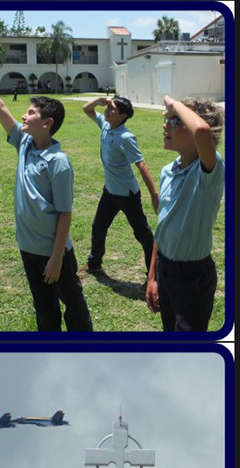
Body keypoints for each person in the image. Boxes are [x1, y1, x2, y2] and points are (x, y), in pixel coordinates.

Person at [0, 48, 93, 332]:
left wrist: (57, 259)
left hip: (54, 252)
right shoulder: (24, 143)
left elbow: (65, 214)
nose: (23, 116)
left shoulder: (58, 162)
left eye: (31, 113)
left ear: (47, 123)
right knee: (45, 309)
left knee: (74, 306)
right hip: (29, 248)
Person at [146, 95, 225, 331]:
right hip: (165, 267)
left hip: (192, 276)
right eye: (168, 120)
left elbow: (201, 129)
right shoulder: (167, 171)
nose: (165, 126)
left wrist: (176, 105)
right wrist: (152, 276)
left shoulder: (209, 172)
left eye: (175, 121)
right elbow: (162, 229)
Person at [81, 96, 157, 276]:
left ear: (122, 116)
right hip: (110, 191)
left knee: (143, 235)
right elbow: (87, 109)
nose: (107, 111)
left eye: (112, 109)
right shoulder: (106, 125)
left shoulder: (126, 137)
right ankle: (94, 263)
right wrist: (99, 100)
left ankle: (155, 274)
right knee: (98, 226)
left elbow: (141, 164)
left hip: (127, 194)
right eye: (107, 107)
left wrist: (154, 194)